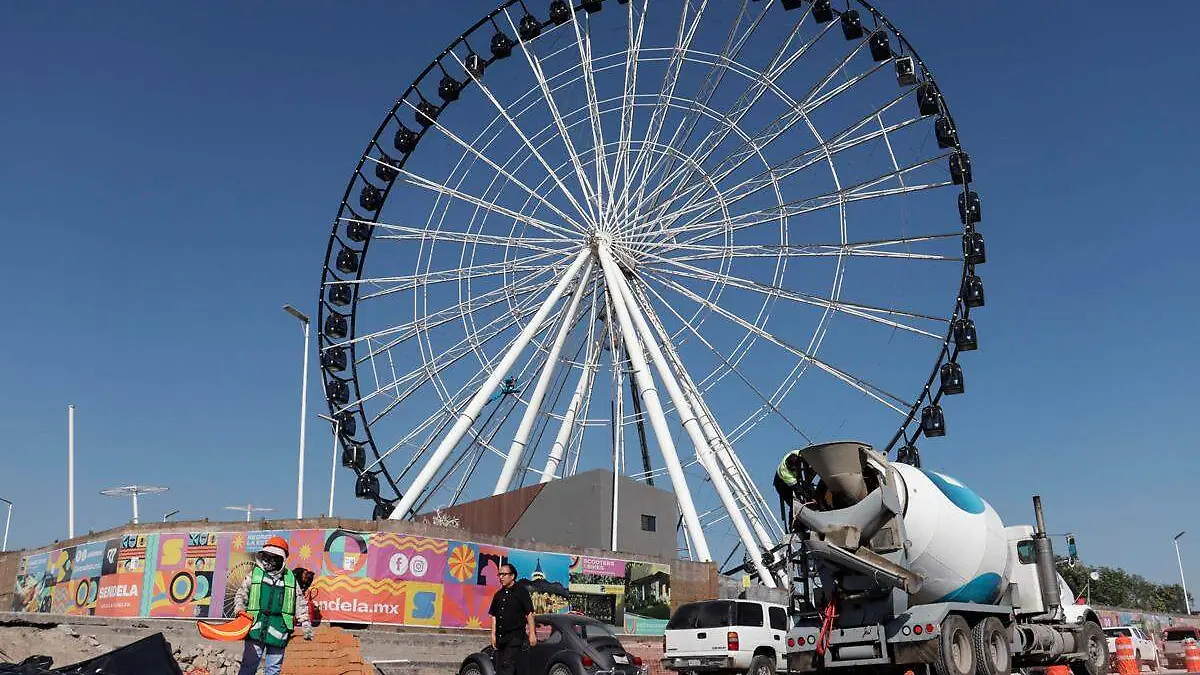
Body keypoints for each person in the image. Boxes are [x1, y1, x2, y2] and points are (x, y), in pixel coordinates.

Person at [234, 536, 312, 675]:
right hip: (255, 629)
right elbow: (241, 593)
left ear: (281, 559)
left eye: (273, 557)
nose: (269, 561)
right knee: (248, 667)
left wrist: (306, 624)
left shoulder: (290, 579)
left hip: (279, 631)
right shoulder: (255, 575)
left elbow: (299, 602)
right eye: (267, 556)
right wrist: (239, 609)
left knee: (273, 670)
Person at [488, 562, 536, 675]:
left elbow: (529, 613)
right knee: (502, 668)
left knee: (506, 668)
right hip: (501, 638)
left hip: (515, 638)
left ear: (512, 576)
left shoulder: (521, 592)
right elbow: (494, 615)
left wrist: (532, 633)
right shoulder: (498, 595)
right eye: (499, 574)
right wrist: (493, 635)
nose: (501, 577)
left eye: (504, 574)